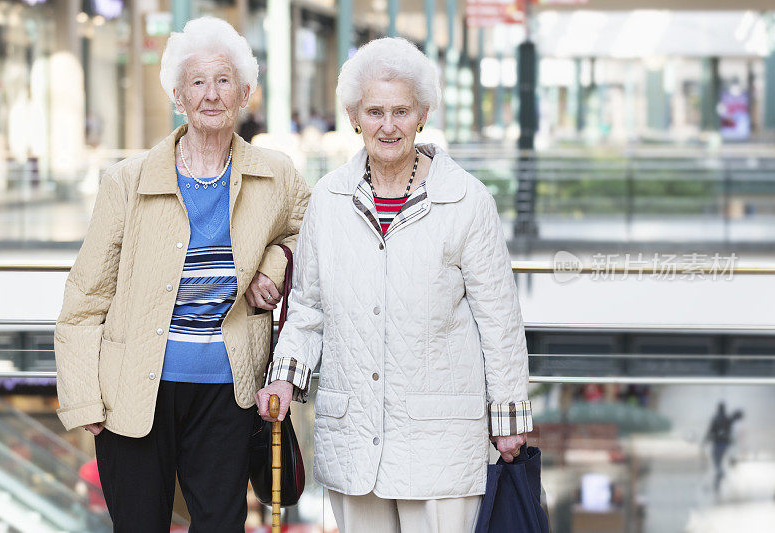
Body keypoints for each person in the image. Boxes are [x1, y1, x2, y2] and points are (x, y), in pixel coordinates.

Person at [255, 37, 532, 533]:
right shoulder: (328, 200)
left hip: (440, 446)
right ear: (353, 115)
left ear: (423, 114)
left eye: (401, 111)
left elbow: (500, 322)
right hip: (354, 441)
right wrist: (286, 375)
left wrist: (509, 417)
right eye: (375, 111)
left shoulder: (466, 200)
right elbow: (308, 308)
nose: (388, 126)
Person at [54, 17, 310, 532]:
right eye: (197, 82)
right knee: (139, 523)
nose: (211, 95)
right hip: (133, 389)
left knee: (220, 522)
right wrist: (83, 398)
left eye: (223, 82)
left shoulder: (276, 174)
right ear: (177, 94)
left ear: (245, 93)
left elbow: (312, 234)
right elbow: (85, 298)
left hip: (228, 387)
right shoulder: (126, 181)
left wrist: (275, 262)